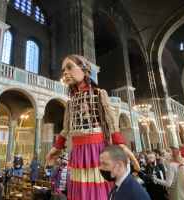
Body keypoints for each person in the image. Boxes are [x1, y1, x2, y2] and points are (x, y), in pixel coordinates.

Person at [46, 54, 139, 200]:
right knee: (81, 189)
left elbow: (112, 122)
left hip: (97, 148)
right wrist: (57, 146)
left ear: (84, 69)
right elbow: (66, 128)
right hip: (77, 150)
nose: (64, 72)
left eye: (70, 67)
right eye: (63, 69)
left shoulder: (99, 93)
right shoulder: (71, 101)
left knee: (97, 186)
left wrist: (121, 145)